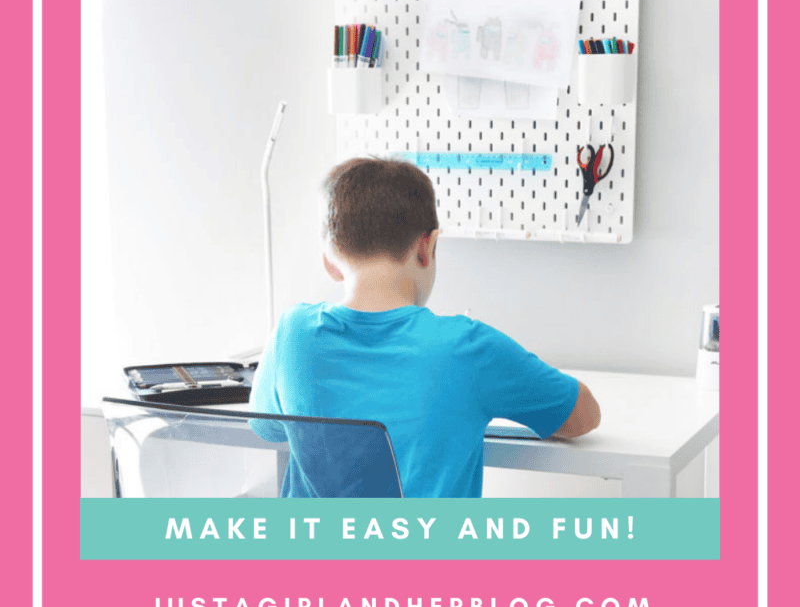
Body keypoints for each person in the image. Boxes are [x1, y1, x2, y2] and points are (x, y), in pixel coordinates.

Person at [250, 157, 600, 497]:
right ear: (427, 246)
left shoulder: (291, 332)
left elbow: (265, 427)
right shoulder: (467, 347)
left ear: (330, 259)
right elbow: (582, 417)